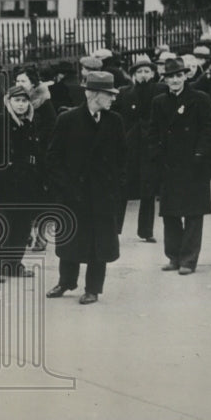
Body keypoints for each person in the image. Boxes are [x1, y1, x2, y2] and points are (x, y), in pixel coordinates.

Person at [45, 72, 125, 304]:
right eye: (108, 94)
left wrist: (116, 188)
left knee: (99, 244)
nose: (112, 99)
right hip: (73, 194)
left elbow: (122, 158)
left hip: (102, 195)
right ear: (92, 94)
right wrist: (65, 188)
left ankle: (93, 288)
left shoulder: (115, 121)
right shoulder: (68, 119)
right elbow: (53, 158)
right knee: (70, 240)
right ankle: (66, 281)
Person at [149, 57, 211, 275]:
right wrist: (157, 155)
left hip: (194, 165)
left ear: (186, 76)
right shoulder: (159, 102)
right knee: (170, 213)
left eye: (179, 75)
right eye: (171, 77)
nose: (175, 80)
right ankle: (174, 257)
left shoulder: (200, 99)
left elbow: (209, 130)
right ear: (165, 80)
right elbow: (153, 132)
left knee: (193, 214)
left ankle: (188, 260)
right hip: (169, 164)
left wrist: (200, 155)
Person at [0, 85, 46, 282]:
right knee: (2, 225)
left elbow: (37, 150)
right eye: (17, 100)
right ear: (8, 101)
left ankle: (14, 265)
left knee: (22, 226)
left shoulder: (30, 123)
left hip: (26, 184)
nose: (21, 105)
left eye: (24, 100)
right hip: (3, 184)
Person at [116, 54, 163, 243]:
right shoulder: (124, 92)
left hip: (150, 146)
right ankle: (115, 228)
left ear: (153, 73)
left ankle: (146, 230)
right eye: (139, 72)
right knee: (122, 187)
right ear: (133, 75)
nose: (143, 75)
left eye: (147, 71)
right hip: (129, 146)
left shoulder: (159, 91)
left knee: (148, 188)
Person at [13, 65, 57, 143]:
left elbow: (50, 125)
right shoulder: (12, 100)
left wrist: (36, 139)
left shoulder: (43, 100)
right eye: (17, 81)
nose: (19, 84)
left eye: (23, 81)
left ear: (32, 83)